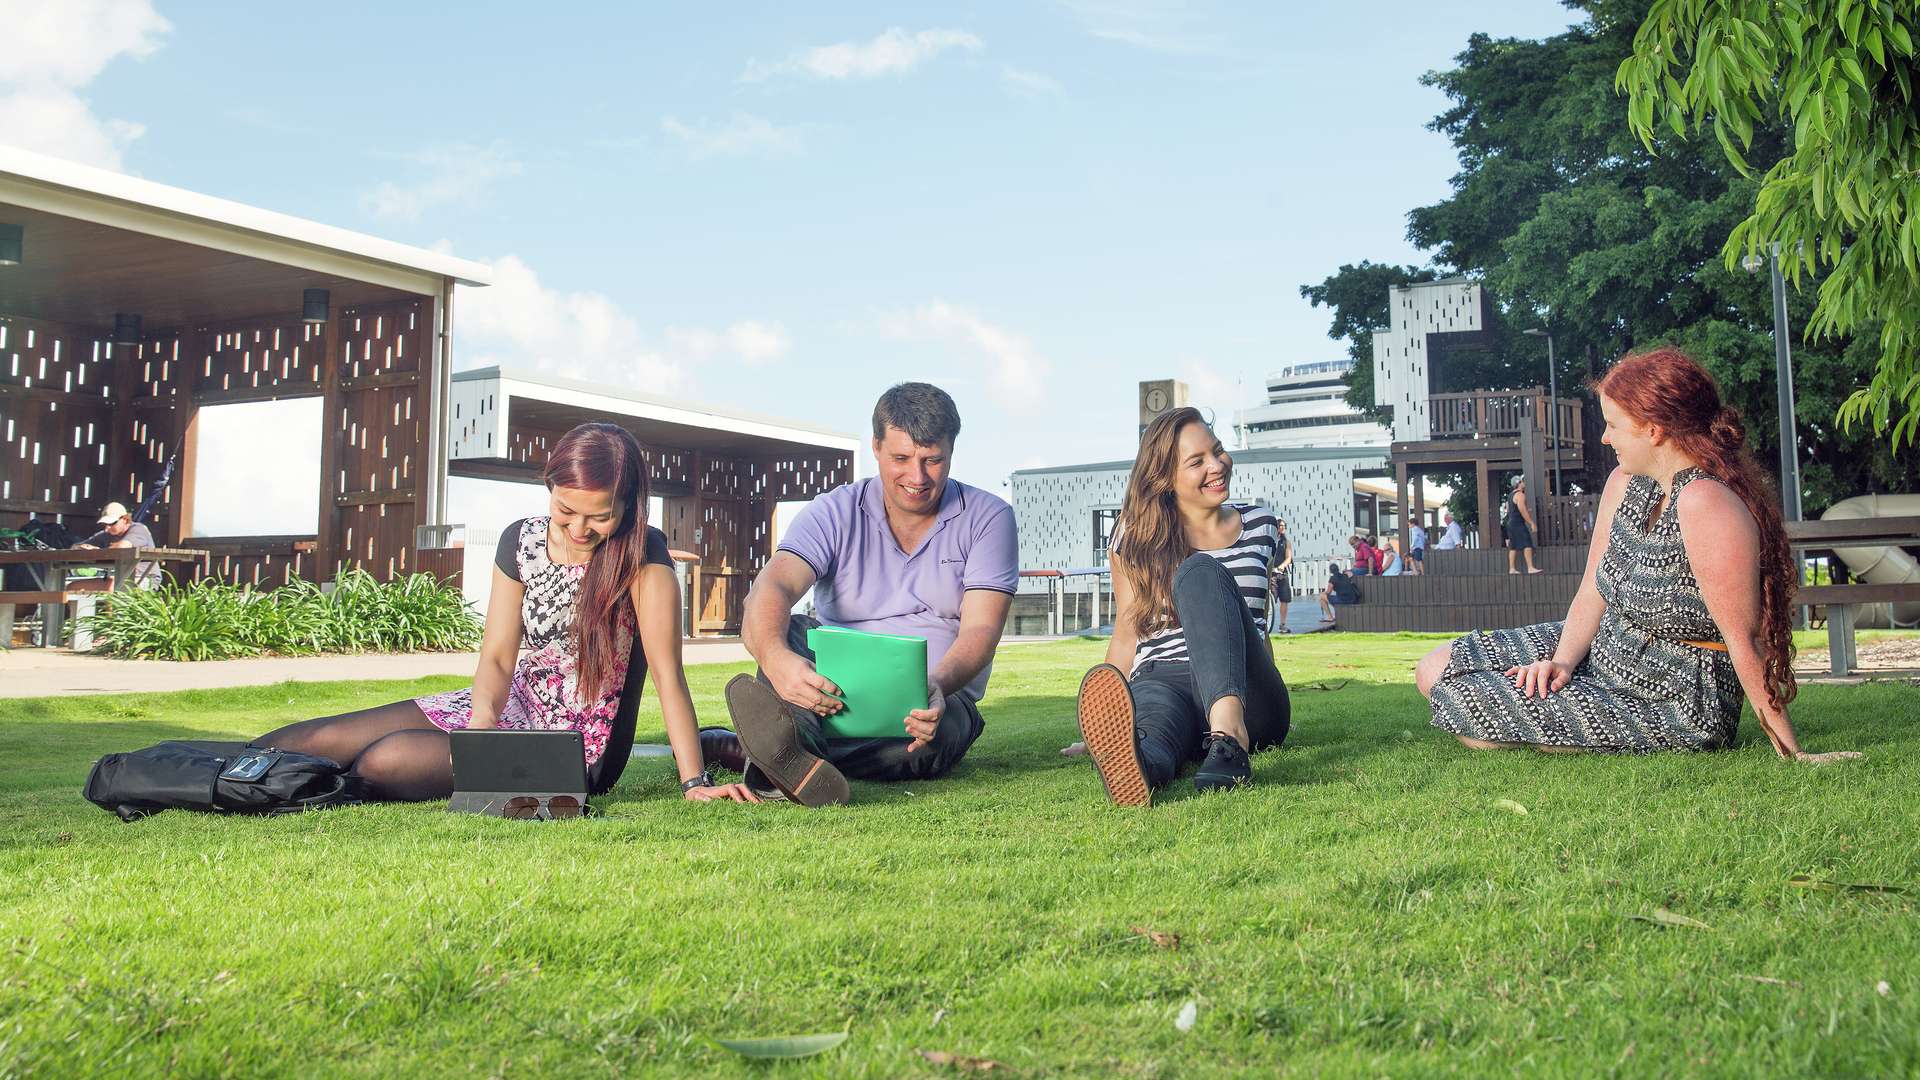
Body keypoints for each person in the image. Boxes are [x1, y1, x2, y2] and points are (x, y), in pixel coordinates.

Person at [254, 423, 757, 803]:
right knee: (318, 737)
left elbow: (669, 676)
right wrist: (483, 724)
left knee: (385, 759)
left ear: (628, 504)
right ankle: (199, 772)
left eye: (599, 516)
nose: (579, 528)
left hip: (575, 747)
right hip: (507, 707)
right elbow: (496, 656)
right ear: (549, 489)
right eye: (566, 510)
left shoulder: (643, 557)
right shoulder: (521, 540)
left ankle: (276, 790)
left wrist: (694, 782)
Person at [1414, 347, 1861, 763]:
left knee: (1461, 702)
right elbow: (1594, 584)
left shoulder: (1704, 503)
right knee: (1434, 668)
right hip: (1607, 647)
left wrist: (1792, 751)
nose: (1606, 439)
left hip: (1674, 693)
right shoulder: (1626, 483)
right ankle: (1552, 711)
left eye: (1613, 424)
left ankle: (1555, 729)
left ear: (1653, 429)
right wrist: (1562, 662)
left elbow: (1745, 640)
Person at [708, 383, 1018, 807]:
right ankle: (787, 746)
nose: (918, 477)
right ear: (875, 446)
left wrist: (937, 686)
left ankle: (780, 749)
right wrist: (777, 661)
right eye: (902, 459)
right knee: (792, 628)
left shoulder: (990, 517)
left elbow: (983, 628)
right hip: (836, 688)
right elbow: (772, 588)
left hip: (932, 700)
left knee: (930, 745)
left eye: (933, 460)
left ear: (951, 452)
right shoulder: (833, 512)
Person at [1072, 407, 1291, 806]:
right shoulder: (1134, 537)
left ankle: (1229, 736)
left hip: (1245, 689)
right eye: (1197, 462)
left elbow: (1254, 624)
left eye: (1218, 451)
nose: (1217, 465)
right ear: (1166, 479)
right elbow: (1127, 628)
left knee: (1199, 573)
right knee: (1155, 727)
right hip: (1164, 676)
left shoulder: (1260, 525)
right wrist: (1104, 722)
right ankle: (1141, 763)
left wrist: (1265, 679)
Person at [73, 501, 160, 588]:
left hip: (146, 579)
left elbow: (123, 546)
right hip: (118, 578)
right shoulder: (108, 533)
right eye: (105, 524)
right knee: (73, 586)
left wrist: (97, 551)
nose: (107, 528)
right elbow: (75, 547)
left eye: (112, 523)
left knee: (110, 586)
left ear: (125, 520)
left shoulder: (139, 529)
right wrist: (83, 548)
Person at [1505, 478, 1543, 574]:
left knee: (1513, 546)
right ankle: (1530, 567)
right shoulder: (1520, 495)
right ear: (1519, 483)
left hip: (1510, 523)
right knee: (1527, 543)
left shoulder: (1510, 495)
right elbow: (1522, 510)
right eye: (1522, 481)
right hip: (1518, 523)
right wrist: (1531, 523)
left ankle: (1512, 568)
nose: (1524, 483)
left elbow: (1510, 510)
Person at [1269, 516, 1294, 633]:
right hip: (1271, 575)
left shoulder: (1286, 542)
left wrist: (1282, 566)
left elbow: (1289, 558)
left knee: (1285, 599)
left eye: (1284, 526)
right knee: (1270, 599)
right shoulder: (1270, 541)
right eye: (1280, 526)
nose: (1282, 528)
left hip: (1282, 574)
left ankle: (1283, 624)